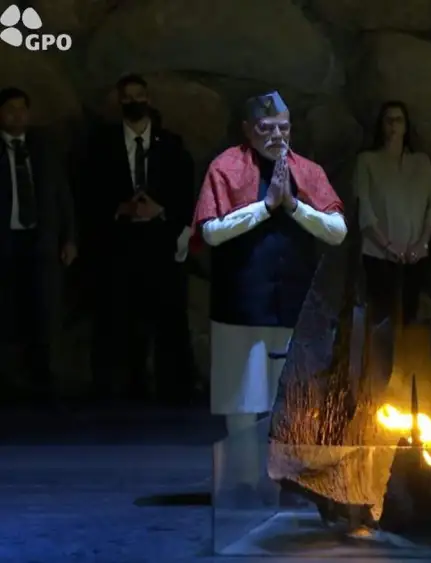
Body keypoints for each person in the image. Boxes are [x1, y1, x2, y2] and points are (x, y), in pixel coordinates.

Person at [190, 91, 347, 494]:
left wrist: (292, 206)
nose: (277, 135)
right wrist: (264, 207)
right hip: (240, 303)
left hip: (294, 304)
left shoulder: (306, 170)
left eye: (284, 127)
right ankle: (244, 483)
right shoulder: (225, 167)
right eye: (266, 128)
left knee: (293, 397)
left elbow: (337, 231)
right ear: (247, 130)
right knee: (242, 399)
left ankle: (293, 479)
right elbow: (210, 231)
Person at [79, 73, 198, 405]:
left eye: (139, 95)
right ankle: (121, 390)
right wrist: (121, 208)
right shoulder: (100, 145)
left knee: (169, 319)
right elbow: (87, 192)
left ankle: (175, 390)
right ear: (119, 102)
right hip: (118, 246)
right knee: (117, 319)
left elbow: (186, 190)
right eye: (127, 97)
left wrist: (161, 209)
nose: (134, 102)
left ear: (149, 99)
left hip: (162, 245)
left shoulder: (171, 144)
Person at [354, 101, 431, 385]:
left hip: (415, 256)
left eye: (398, 120)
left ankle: (410, 381)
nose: (393, 125)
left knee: (412, 321)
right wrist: (387, 245)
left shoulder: (421, 163)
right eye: (388, 119)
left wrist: (421, 244)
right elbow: (365, 211)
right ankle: (379, 382)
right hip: (380, 256)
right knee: (381, 321)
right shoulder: (367, 162)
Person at [0, 87, 76, 403]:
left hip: (41, 242)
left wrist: (70, 237)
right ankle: (8, 384)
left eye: (22, 109)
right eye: (10, 109)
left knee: (44, 311)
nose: (17, 115)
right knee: (6, 311)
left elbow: (62, 195)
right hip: (5, 243)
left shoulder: (44, 147)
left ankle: (44, 382)